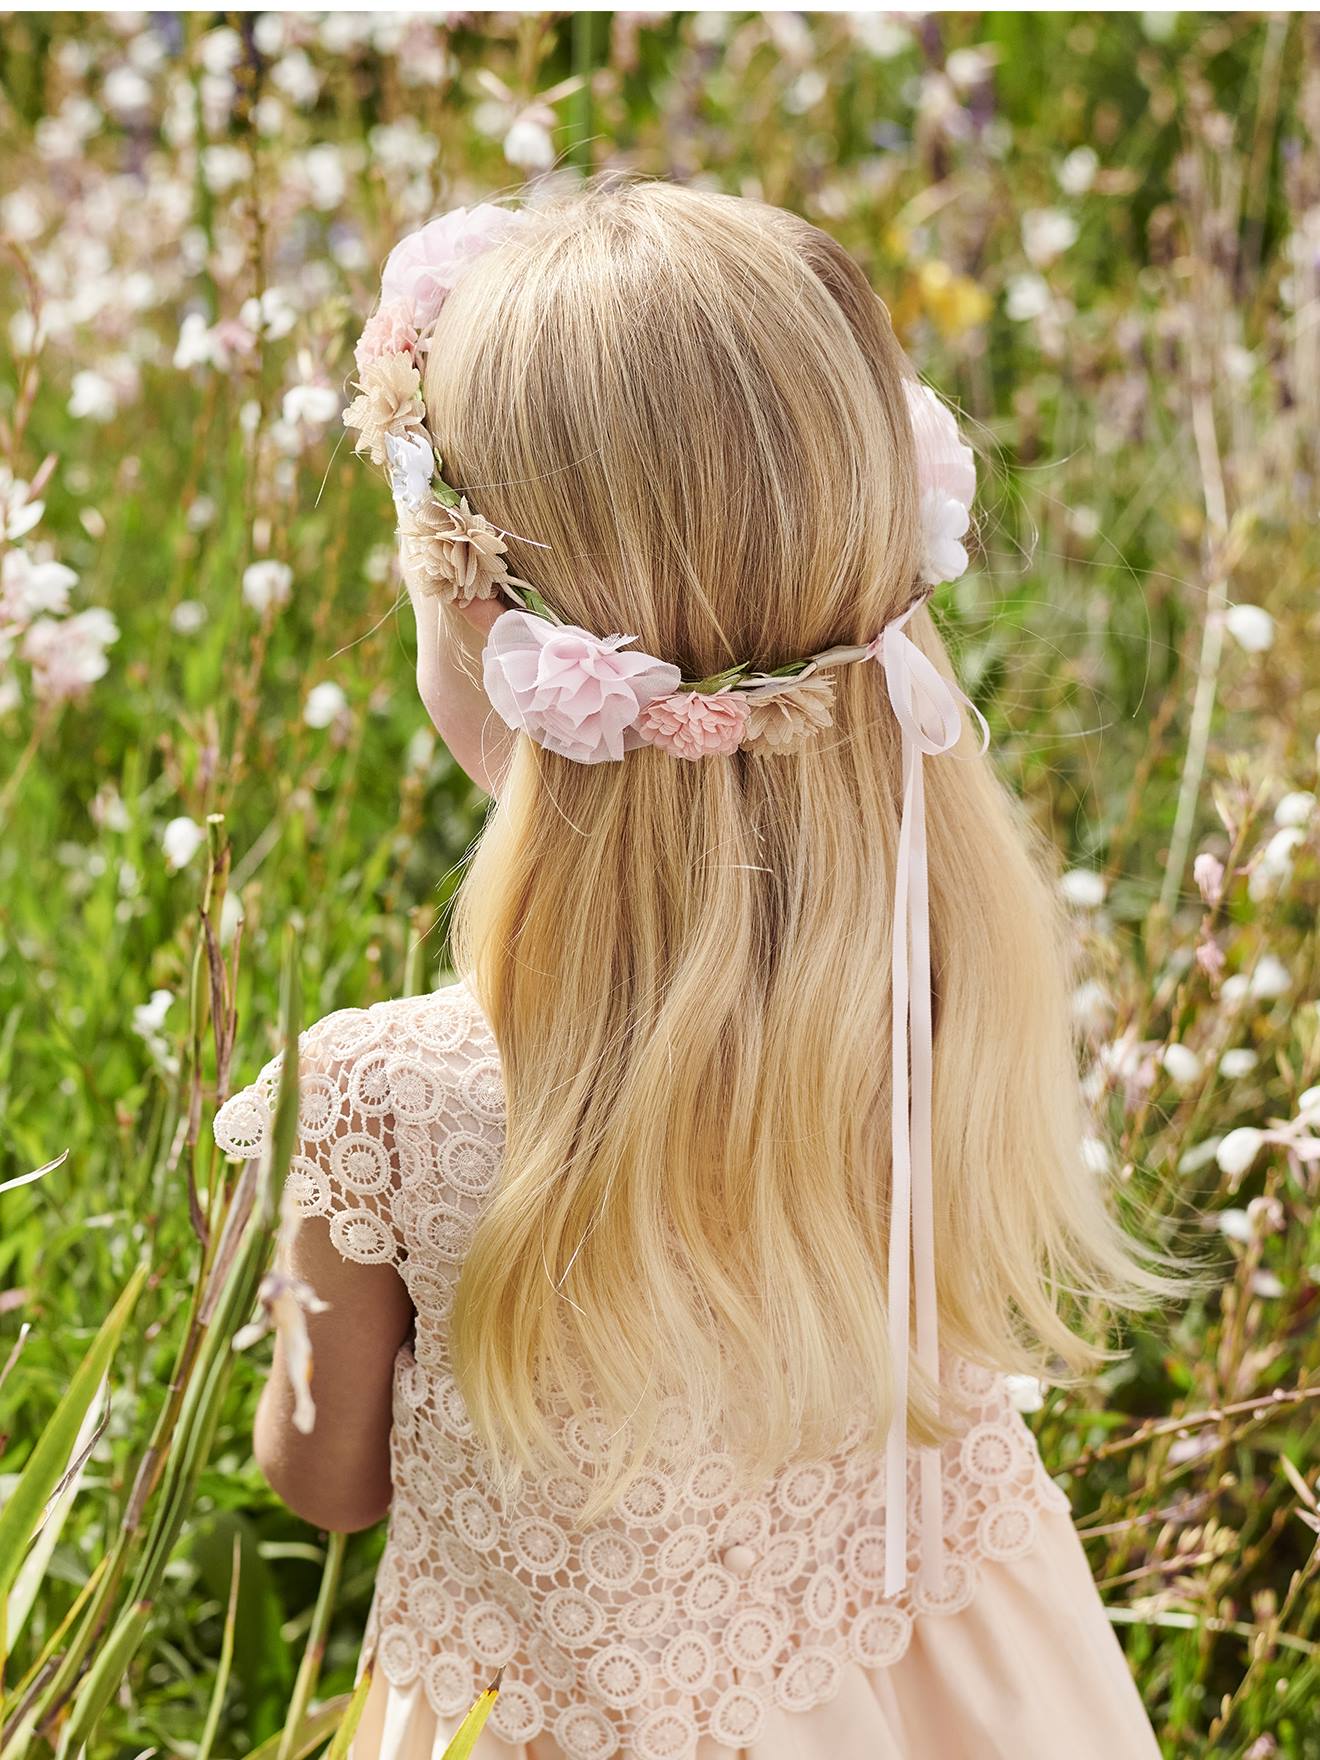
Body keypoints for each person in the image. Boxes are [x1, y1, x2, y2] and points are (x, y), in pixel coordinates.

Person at [215, 179, 1174, 1760]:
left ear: (469, 618)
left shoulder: (378, 1101)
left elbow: (326, 1483)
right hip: (967, 1694)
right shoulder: (948, 980)